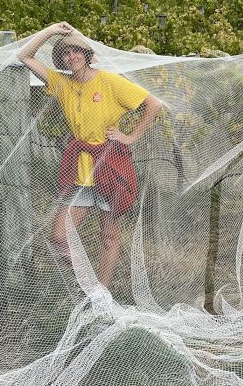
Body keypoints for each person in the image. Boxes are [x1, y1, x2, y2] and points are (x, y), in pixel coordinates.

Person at [18, 22, 162, 287]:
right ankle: (89, 285)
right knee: (59, 237)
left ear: (86, 54)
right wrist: (50, 31)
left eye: (76, 51)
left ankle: (101, 297)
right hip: (80, 170)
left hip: (111, 165)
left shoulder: (109, 81)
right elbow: (24, 56)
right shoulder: (61, 83)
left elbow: (153, 104)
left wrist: (131, 137)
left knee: (108, 236)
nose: (71, 57)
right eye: (65, 53)